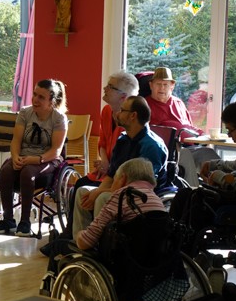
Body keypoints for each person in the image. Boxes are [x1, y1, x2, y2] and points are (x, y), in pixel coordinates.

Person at [71, 96, 168, 238]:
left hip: (141, 195)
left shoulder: (151, 146)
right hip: (120, 189)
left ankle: (102, 244)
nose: (117, 114)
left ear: (133, 115)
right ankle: (80, 244)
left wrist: (99, 192)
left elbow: (140, 187)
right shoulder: (123, 139)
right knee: (83, 192)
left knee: (103, 197)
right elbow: (111, 175)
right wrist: (96, 191)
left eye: (122, 110)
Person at [47, 158, 166, 273]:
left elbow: (86, 242)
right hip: (147, 263)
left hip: (120, 263)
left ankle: (49, 285)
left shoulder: (119, 197)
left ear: (123, 179)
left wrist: (79, 234)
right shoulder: (157, 201)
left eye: (114, 180)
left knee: (57, 246)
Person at [60, 71, 139, 237]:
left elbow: (125, 162)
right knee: (80, 183)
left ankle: (86, 234)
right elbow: (102, 142)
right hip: (107, 169)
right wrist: (104, 160)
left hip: (118, 176)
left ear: (123, 97)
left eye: (110, 87)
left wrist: (108, 166)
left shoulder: (130, 122)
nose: (105, 88)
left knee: (84, 187)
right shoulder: (106, 111)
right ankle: (74, 233)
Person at [0, 79, 68, 237]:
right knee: (5, 171)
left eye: (41, 97)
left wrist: (36, 159)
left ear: (51, 101)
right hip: (24, 156)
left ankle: (25, 221)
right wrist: (15, 156)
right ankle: (8, 220)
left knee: (27, 173)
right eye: (34, 94)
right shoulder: (25, 113)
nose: (35, 99)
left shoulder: (59, 118)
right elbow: (16, 141)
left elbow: (56, 151)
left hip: (47, 159)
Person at [170, 98, 236, 231]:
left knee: (192, 200)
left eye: (230, 130)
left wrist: (219, 176)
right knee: (185, 195)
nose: (229, 135)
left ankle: (180, 239)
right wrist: (214, 165)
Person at [146, 67, 204, 139]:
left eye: (165, 84)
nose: (161, 88)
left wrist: (202, 135)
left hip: (192, 141)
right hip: (167, 145)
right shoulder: (145, 105)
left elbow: (189, 126)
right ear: (151, 85)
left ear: (172, 86)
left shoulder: (179, 103)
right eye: (158, 84)